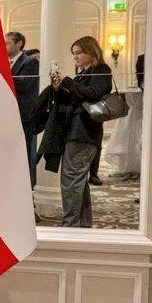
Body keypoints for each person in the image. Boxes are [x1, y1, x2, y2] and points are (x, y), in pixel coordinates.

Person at [50, 36, 112, 227]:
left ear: (91, 51)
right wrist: (58, 87)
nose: (75, 57)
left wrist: (68, 82)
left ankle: (71, 224)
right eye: (73, 54)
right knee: (78, 181)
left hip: (85, 132)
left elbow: (93, 94)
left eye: (79, 53)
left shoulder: (101, 69)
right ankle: (82, 224)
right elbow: (75, 98)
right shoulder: (83, 73)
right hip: (76, 131)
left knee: (71, 180)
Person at [5, 31, 40, 187]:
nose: (4, 45)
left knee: (24, 153)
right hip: (6, 116)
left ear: (19, 44)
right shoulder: (4, 61)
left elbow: (25, 84)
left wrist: (4, 74)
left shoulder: (29, 62)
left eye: (8, 43)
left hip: (23, 116)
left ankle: (26, 186)